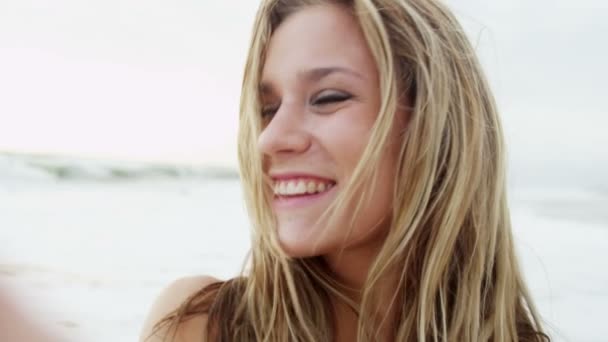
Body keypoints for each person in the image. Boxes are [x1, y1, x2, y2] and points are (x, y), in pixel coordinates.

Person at [140, 0, 550, 341]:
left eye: (327, 98)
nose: (270, 138)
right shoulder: (202, 327)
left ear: (433, 126)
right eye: (268, 109)